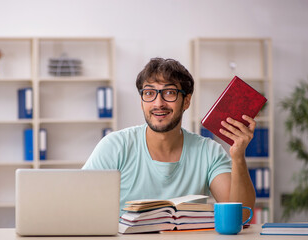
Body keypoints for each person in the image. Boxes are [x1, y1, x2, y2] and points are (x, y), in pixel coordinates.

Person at [82, 57, 256, 218]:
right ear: (142, 101)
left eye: (170, 93)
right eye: (149, 93)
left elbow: (241, 216)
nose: (158, 103)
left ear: (186, 101)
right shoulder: (114, 146)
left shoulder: (209, 152)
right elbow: (80, 204)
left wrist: (238, 157)